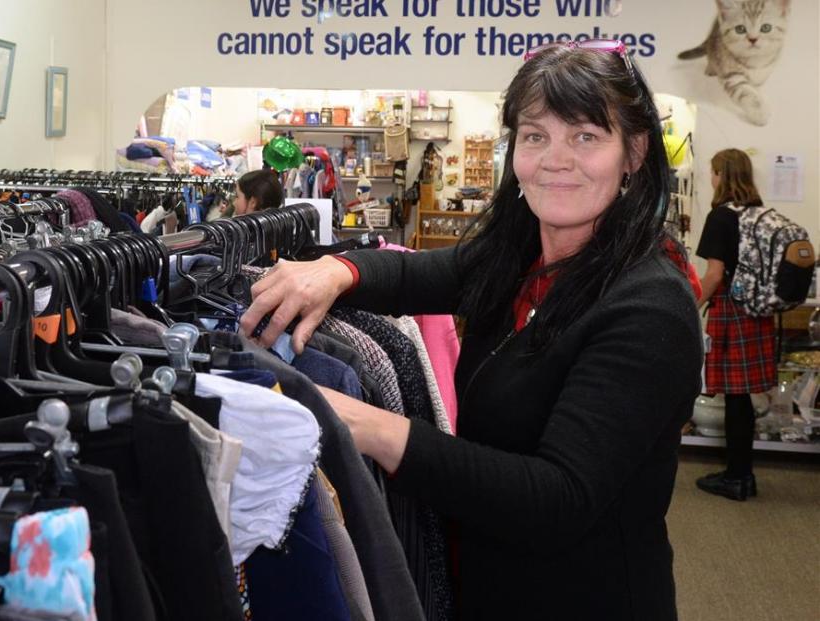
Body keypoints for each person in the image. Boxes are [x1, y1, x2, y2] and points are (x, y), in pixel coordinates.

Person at [240, 41, 703, 620]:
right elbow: (414, 272)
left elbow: (556, 499)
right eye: (536, 136)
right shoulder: (519, 257)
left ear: (633, 152)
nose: (555, 159)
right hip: (493, 586)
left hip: (588, 598)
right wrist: (336, 269)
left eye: (586, 136)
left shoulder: (649, 306)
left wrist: (369, 425)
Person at [694, 149, 775, 501]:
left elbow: (713, 276)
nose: (711, 179)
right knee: (742, 396)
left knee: (736, 397)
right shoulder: (758, 214)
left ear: (720, 175)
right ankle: (743, 474)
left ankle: (737, 477)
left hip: (732, 311)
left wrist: (689, 306)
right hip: (758, 311)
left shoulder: (722, 217)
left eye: (713, 173)